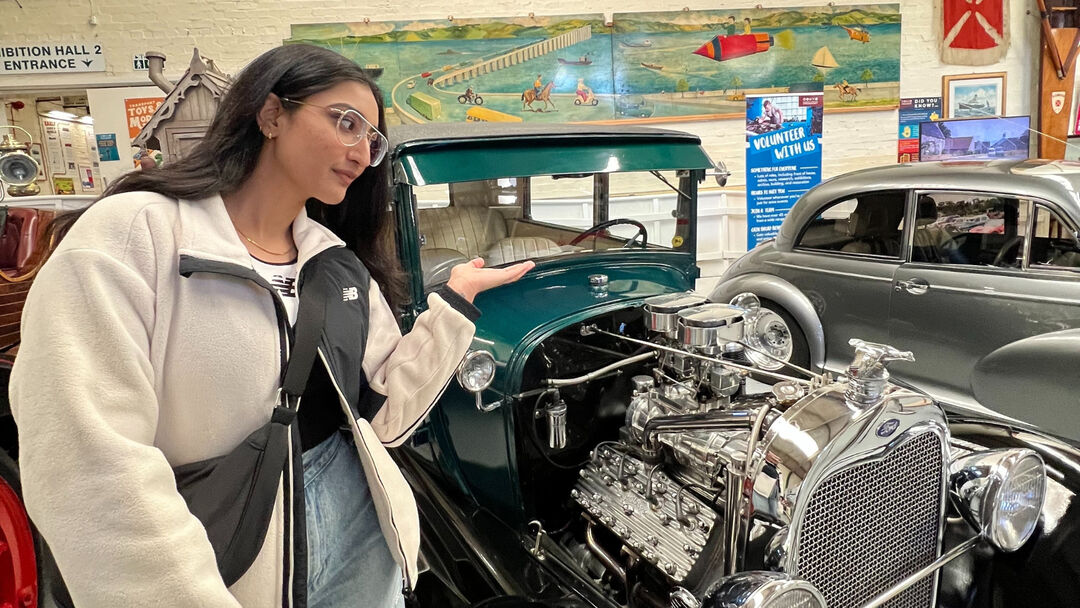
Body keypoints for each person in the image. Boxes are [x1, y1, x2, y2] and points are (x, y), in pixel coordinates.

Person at [9, 43, 533, 608]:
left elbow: (385, 415)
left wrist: (453, 303)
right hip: (219, 542)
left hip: (358, 520)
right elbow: (87, 458)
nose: (363, 153)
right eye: (347, 123)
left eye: (373, 140)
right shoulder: (136, 234)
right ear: (272, 114)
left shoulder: (335, 261)